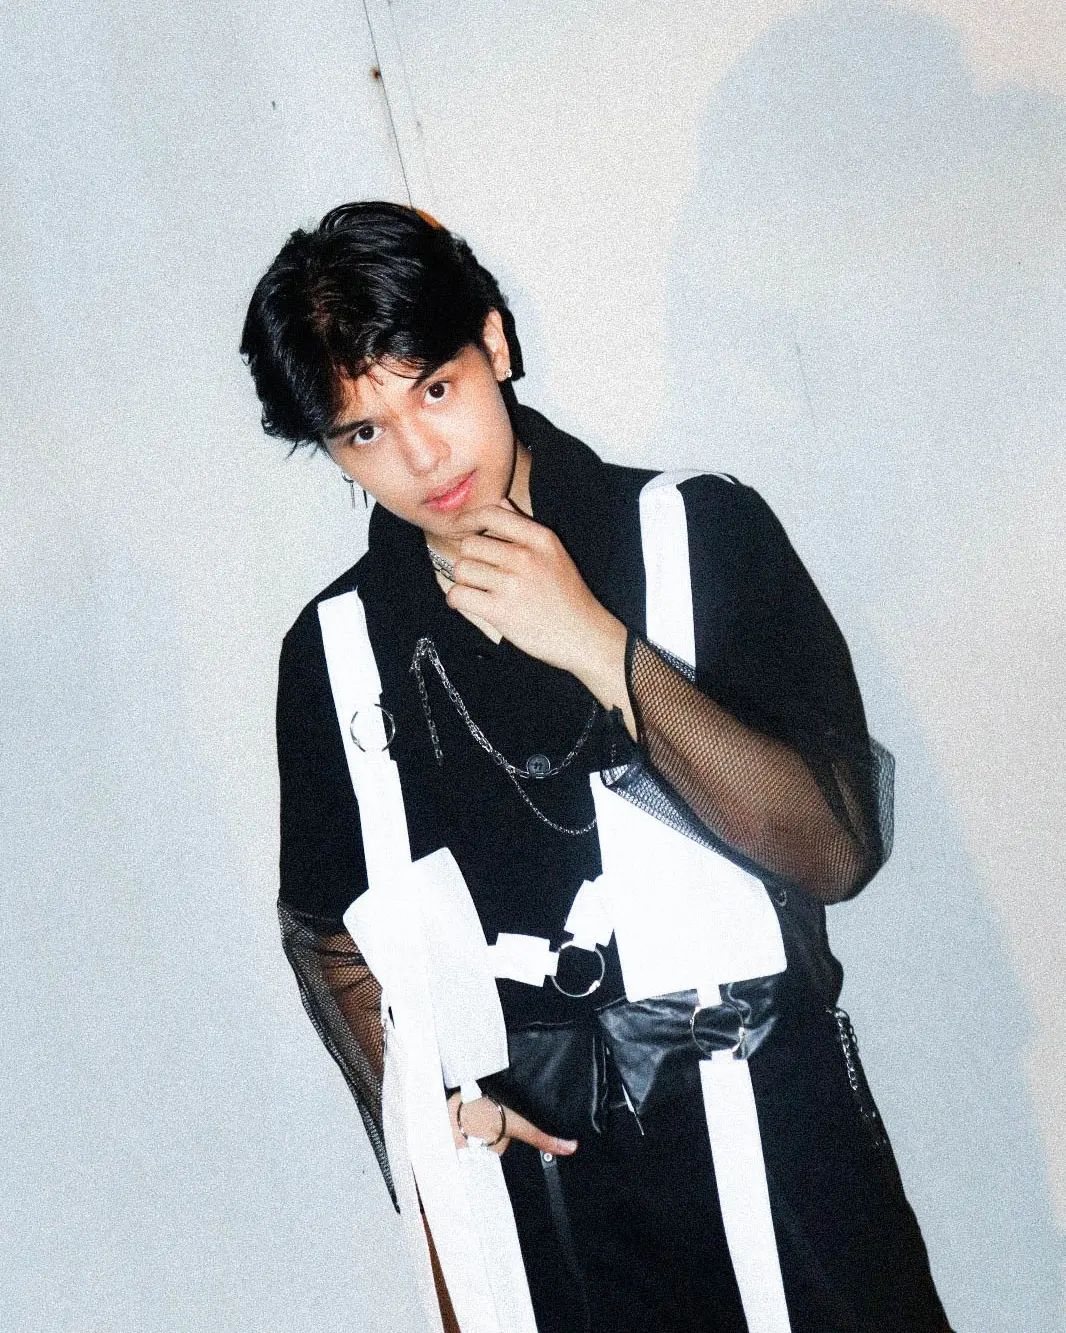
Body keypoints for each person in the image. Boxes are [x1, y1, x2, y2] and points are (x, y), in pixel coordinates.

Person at [240, 200, 952, 1332]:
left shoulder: (692, 530)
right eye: (362, 432)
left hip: (769, 1130)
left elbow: (832, 847)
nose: (420, 457)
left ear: (494, 342)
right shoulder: (333, 650)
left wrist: (595, 643)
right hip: (545, 1190)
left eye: (435, 389)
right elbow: (329, 932)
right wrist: (433, 1108)